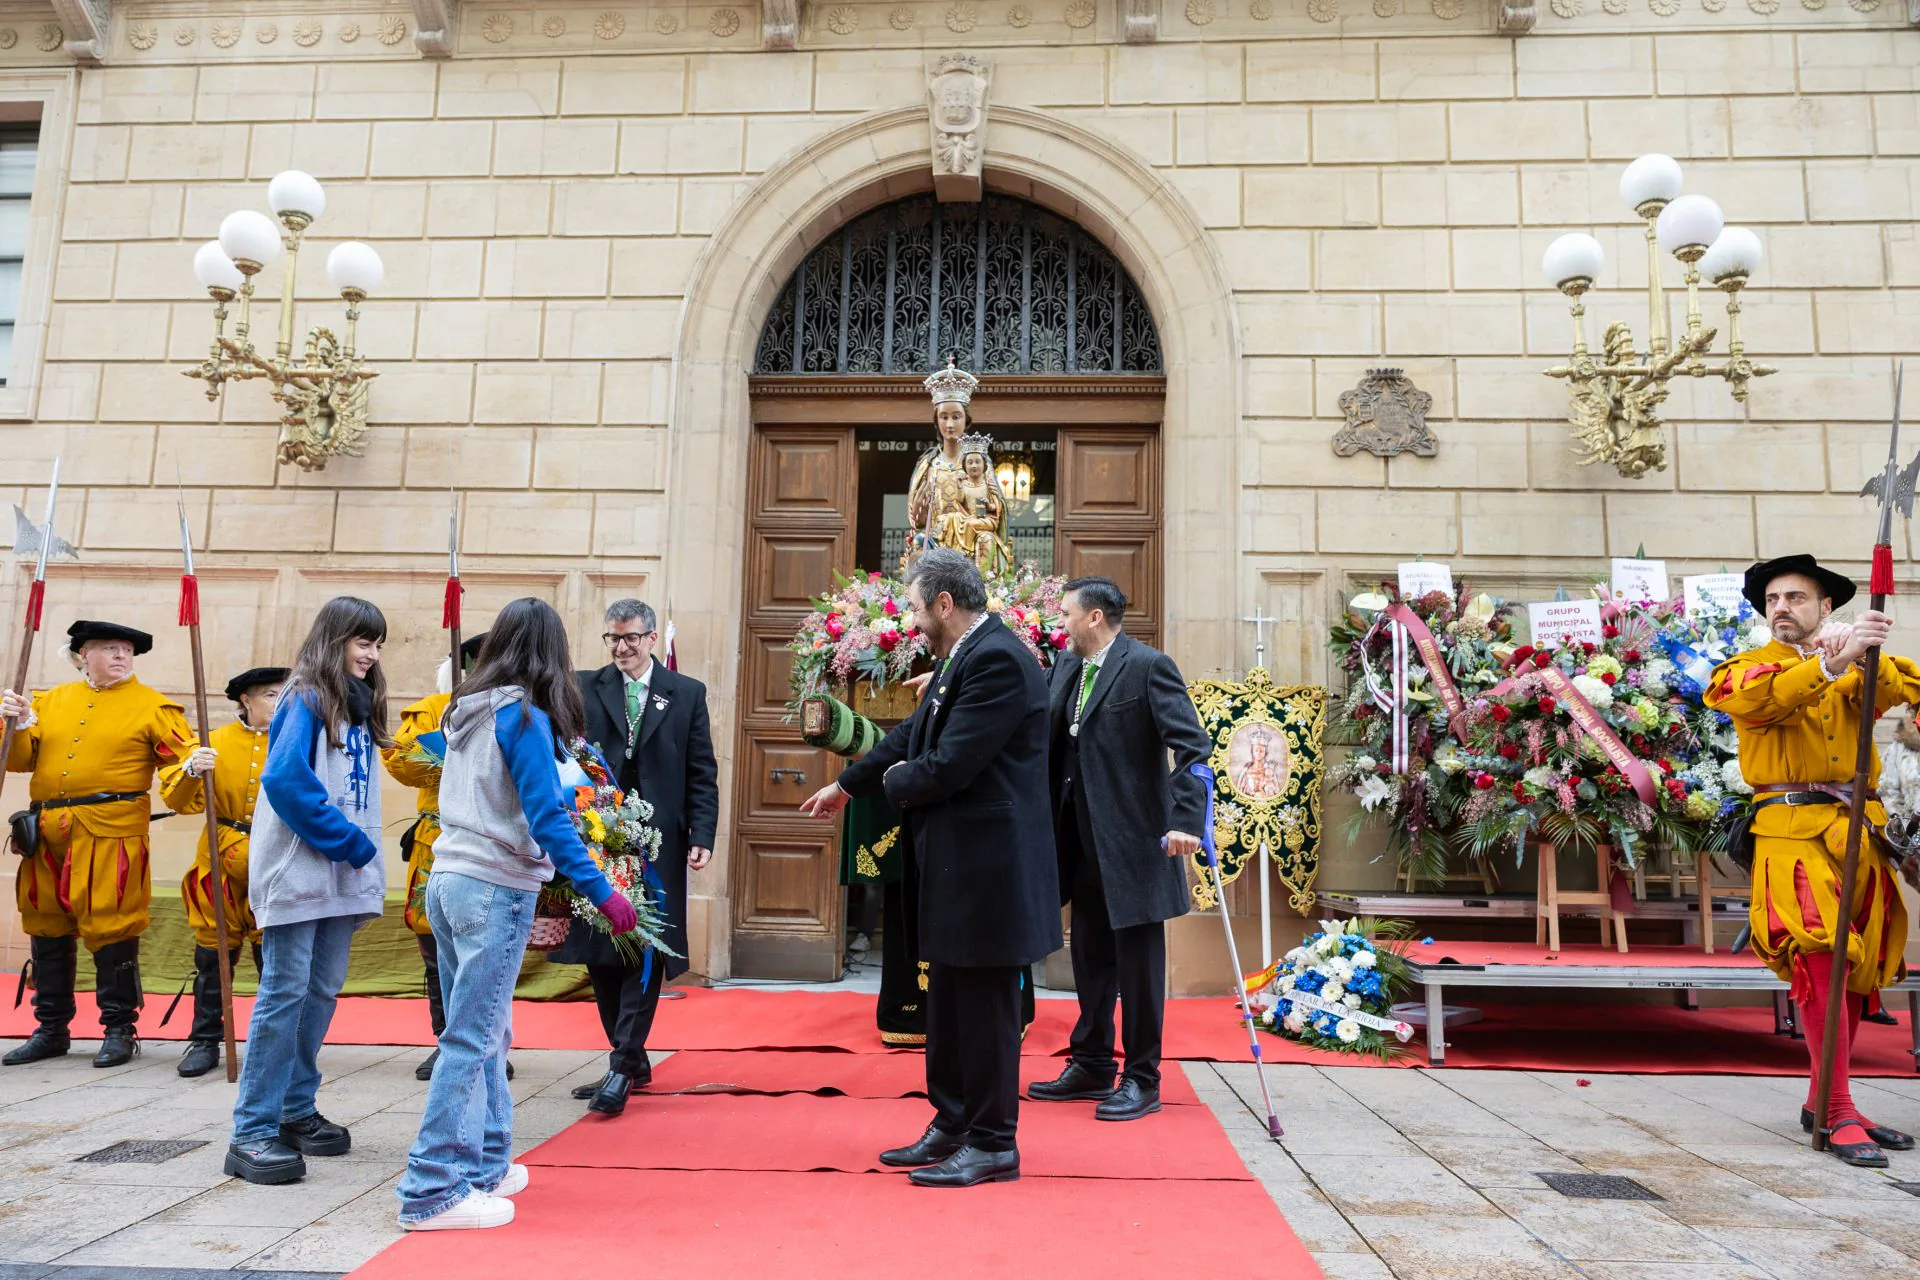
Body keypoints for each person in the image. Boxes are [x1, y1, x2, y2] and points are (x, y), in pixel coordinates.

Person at [801, 548, 1060, 1188]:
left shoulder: (997, 658)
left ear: (945, 604)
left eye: (916, 606)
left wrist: (892, 782)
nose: (912, 619)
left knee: (988, 1011)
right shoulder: (962, 655)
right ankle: (951, 1121)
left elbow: (949, 764)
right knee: (946, 1002)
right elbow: (909, 736)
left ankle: (995, 1141)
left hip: (991, 872)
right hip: (957, 867)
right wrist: (847, 786)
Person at [397, 599, 639, 1232]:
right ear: (550, 653)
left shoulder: (467, 709)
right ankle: (431, 1188)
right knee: (472, 1038)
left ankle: (486, 1162)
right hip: (493, 887)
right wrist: (603, 891)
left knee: (487, 1030)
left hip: (448, 878)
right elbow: (547, 816)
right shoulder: (524, 717)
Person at [1706, 554, 1920, 1168]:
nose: (1782, 608)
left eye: (1797, 598)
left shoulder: (1854, 662)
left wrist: (1865, 648)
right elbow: (1757, 702)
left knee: (1862, 966)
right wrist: (1830, 663)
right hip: (1791, 835)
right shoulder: (1746, 669)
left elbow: (1902, 687)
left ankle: (1824, 1097)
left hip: (1859, 832)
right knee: (1822, 955)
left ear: (1826, 607)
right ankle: (1835, 1111)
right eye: (1773, 599)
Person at [1030, 578, 1210, 1122]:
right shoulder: (1064, 666)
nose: (1059, 623)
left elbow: (1193, 747)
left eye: (1066, 614)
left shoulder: (1148, 666)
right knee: (1088, 956)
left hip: (1135, 840)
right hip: (1078, 839)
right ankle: (1090, 1063)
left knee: (1136, 967)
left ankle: (1142, 1077)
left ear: (1095, 617)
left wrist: (1185, 821)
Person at [224, 598, 390, 1186]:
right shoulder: (306, 697)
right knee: (284, 994)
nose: (370, 654)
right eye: (360, 641)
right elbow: (285, 778)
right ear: (333, 639)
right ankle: (252, 1130)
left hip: (339, 878)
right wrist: (346, 840)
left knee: (319, 993)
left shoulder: (356, 704)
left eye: (376, 643)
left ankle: (295, 1109)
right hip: (301, 871)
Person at [1, 620, 207, 1069]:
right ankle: (51, 1029)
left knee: (113, 927)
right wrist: (15, 724)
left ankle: (119, 1029)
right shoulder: (48, 701)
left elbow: (179, 770)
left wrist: (192, 768)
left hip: (112, 832)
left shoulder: (154, 707)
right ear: (81, 654)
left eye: (127, 651)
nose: (121, 656)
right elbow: (16, 763)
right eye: (109, 648)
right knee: (45, 925)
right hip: (47, 832)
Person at [559, 598, 718, 1117]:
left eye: (631, 638)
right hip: (598, 839)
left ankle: (623, 1064)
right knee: (602, 950)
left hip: (659, 842)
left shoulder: (686, 693)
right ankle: (631, 1057)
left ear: (653, 638)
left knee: (645, 946)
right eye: (613, 639)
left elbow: (702, 770)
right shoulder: (585, 686)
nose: (622, 648)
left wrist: (703, 832)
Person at [381, 632, 502, 1083]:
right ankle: (446, 1039)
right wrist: (449, 747)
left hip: (494, 842)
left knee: (490, 951)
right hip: (437, 840)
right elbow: (400, 762)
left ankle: (490, 1041)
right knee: (437, 951)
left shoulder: (517, 708)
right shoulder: (432, 709)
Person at [158, 665, 288, 1078]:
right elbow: (180, 802)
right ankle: (204, 1039)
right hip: (220, 858)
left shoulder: (299, 740)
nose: (279, 702)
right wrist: (192, 769)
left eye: (285, 695)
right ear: (245, 700)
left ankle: (275, 1047)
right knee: (214, 956)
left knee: (275, 959)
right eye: (270, 695)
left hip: (277, 860)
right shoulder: (213, 743)